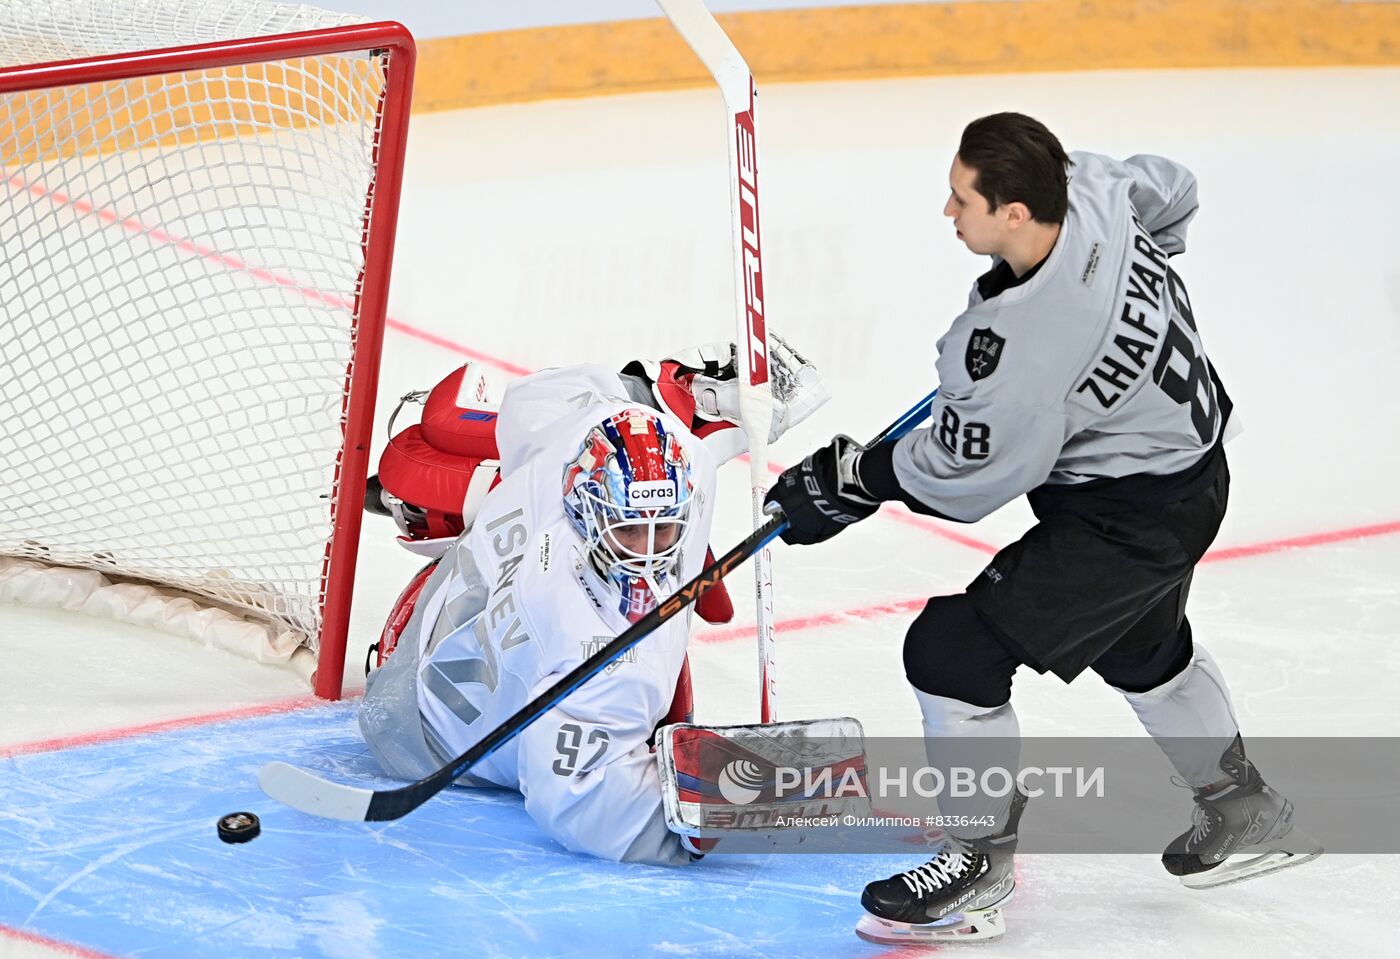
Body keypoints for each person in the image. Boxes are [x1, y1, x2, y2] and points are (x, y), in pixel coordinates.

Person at [765, 112, 1320, 943]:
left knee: (952, 650)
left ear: (1015, 213)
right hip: (1194, 471)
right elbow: (1173, 190)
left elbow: (973, 476)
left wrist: (856, 478)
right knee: (1141, 648)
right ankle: (1244, 807)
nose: (947, 213)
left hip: (1127, 516)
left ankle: (979, 862)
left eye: (962, 200)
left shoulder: (1021, 342)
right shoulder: (1092, 185)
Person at [358, 336, 827, 865]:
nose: (648, 556)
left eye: (665, 529)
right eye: (630, 533)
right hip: (423, 746)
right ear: (590, 509)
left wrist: (691, 394)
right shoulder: (607, 650)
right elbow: (577, 801)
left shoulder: (574, 439)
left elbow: (543, 398)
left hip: (428, 635)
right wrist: (742, 808)